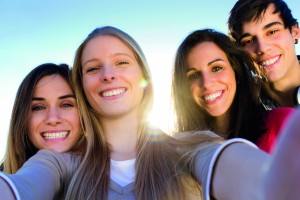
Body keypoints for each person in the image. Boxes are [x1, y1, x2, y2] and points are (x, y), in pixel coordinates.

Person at [0, 26, 299, 200]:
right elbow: (19, 187)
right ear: (82, 87)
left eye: (121, 63)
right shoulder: (60, 163)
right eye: (93, 68)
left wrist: (272, 182)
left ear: (145, 79)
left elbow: (249, 176)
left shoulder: (192, 148)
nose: (108, 75)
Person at [172, 28, 294, 153]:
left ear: (236, 70)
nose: (207, 84)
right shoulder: (180, 152)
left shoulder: (284, 124)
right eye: (194, 76)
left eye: (216, 68)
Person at [0, 63, 86, 174]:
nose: (53, 119)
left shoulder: (111, 174)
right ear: (22, 118)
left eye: (66, 105)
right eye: (38, 107)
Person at [228, 0, 300, 108]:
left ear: (294, 32)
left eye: (272, 32)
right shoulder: (241, 109)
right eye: (249, 41)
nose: (263, 48)